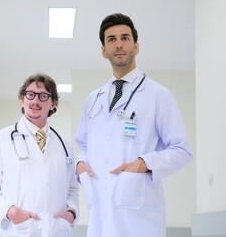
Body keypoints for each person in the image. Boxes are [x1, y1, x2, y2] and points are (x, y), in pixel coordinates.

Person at [75, 13, 193, 237]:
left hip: (138, 217)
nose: (119, 44)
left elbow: (182, 150)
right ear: (103, 51)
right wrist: (80, 164)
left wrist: (144, 163)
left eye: (125, 38)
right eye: (111, 39)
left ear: (136, 47)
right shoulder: (93, 99)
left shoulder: (159, 95)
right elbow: (84, 145)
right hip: (100, 210)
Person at [0, 73, 79, 237]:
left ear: (53, 104)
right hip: (15, 231)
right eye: (30, 95)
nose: (35, 101)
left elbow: (72, 187)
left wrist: (72, 213)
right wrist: (11, 212)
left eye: (43, 96)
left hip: (55, 231)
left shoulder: (64, 145)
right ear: (22, 100)